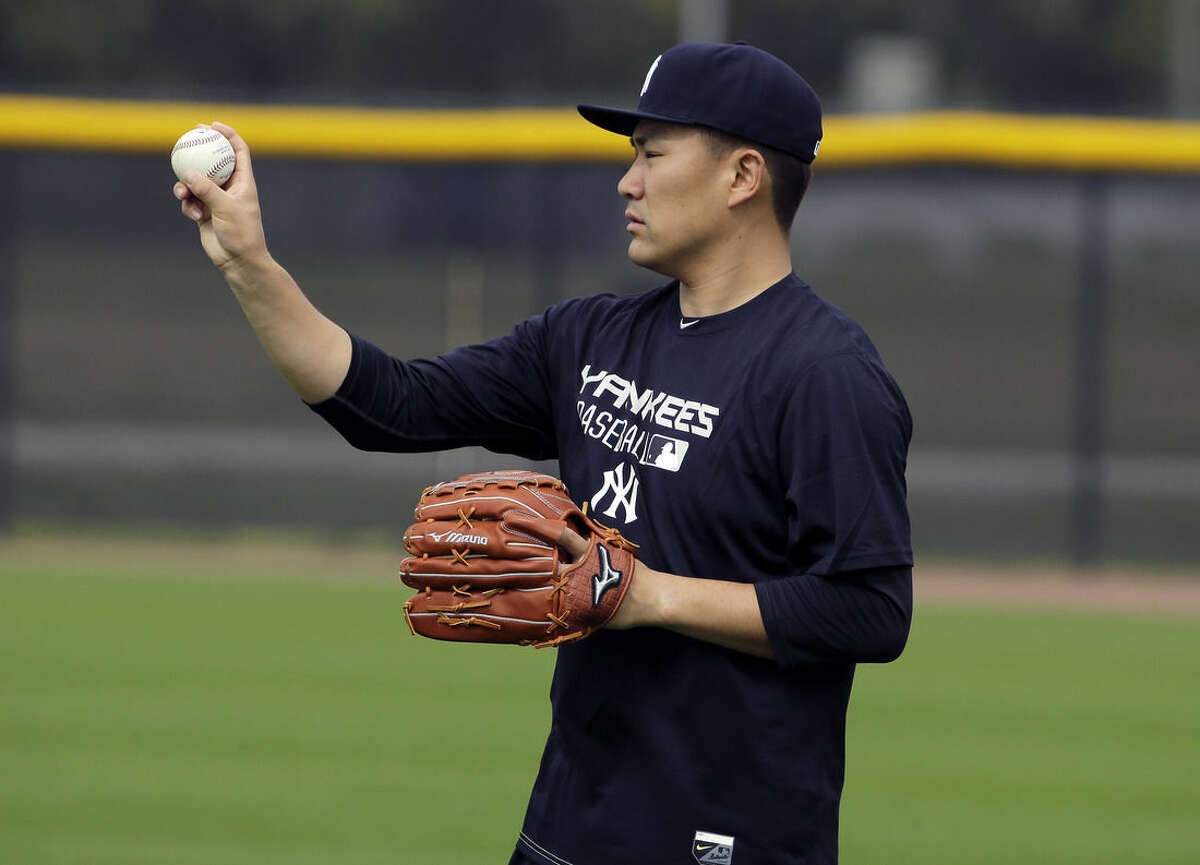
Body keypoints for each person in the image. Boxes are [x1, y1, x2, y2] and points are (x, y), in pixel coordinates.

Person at [174, 41, 913, 865]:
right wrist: (248, 263)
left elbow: (870, 610)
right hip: (570, 822)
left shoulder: (824, 372)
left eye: (651, 154)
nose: (627, 181)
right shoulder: (590, 340)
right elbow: (389, 404)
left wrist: (647, 593)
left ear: (742, 177)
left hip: (730, 838)